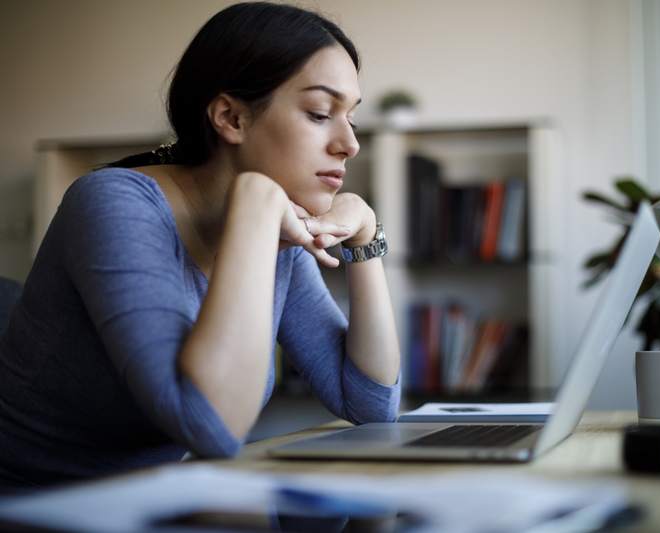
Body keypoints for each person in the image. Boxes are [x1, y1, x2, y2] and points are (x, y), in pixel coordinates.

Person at [0, 1, 401, 491]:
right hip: (32, 506)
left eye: (351, 119)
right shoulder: (114, 202)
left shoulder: (279, 232)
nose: (349, 144)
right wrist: (253, 207)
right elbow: (210, 425)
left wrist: (364, 237)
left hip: (146, 503)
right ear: (230, 118)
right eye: (320, 113)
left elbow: (371, 404)